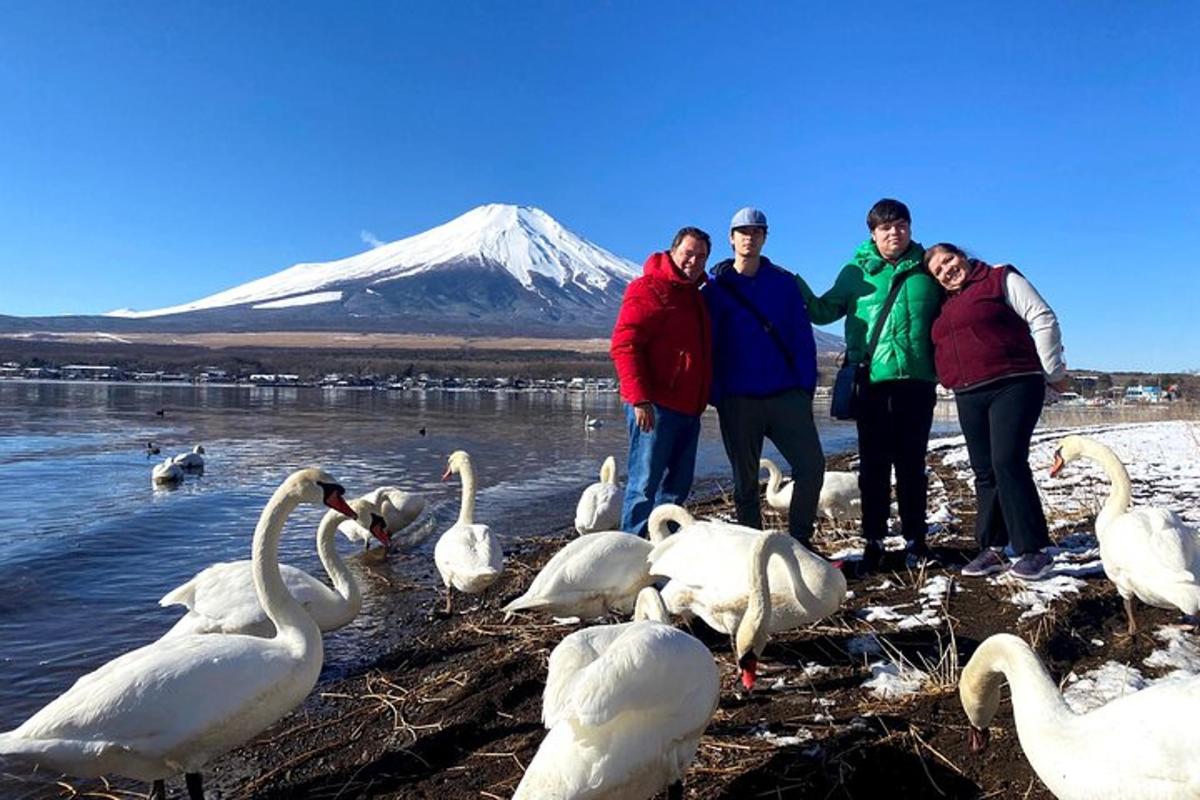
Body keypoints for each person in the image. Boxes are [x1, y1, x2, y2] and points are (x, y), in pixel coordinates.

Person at [799, 199, 941, 572]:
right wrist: (791, 282)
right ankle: (874, 541)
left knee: (912, 465)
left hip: (917, 381)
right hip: (872, 384)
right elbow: (821, 311)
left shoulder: (928, 268)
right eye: (886, 227)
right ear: (873, 233)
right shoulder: (854, 273)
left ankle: (916, 540)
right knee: (874, 467)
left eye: (902, 225)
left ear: (910, 228)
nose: (895, 232)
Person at [925, 243, 1068, 581]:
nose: (947, 269)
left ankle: (1035, 549)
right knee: (984, 469)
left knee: (1007, 461)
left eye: (949, 259)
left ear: (962, 254)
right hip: (968, 391)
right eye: (938, 270)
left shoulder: (999, 277)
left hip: (1013, 382)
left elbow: (1042, 317)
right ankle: (993, 547)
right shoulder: (945, 305)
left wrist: (1054, 373)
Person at [703, 207, 825, 543]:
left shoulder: (784, 284)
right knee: (744, 483)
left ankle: (800, 541)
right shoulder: (715, 289)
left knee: (812, 467)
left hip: (786, 396)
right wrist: (718, 394)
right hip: (738, 399)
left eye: (756, 231)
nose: (749, 237)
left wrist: (804, 390)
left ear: (765, 237)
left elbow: (803, 338)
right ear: (731, 238)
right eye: (743, 232)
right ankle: (755, 550)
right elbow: (707, 344)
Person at [610, 227, 713, 537]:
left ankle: (662, 552)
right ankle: (630, 553)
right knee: (643, 484)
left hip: (688, 407)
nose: (694, 261)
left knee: (677, 487)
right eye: (688, 253)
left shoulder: (695, 296)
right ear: (672, 252)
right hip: (655, 406)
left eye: (701, 256)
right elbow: (625, 345)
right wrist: (639, 399)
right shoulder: (649, 288)